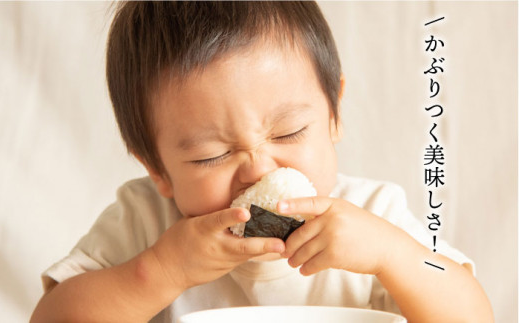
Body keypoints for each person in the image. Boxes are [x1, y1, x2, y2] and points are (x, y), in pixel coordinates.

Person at [31, 2, 493, 322]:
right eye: (211, 156)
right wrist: (163, 269)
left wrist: (393, 256)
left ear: (334, 114)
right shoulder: (145, 220)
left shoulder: (372, 213)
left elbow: (472, 316)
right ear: (158, 170)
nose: (259, 170)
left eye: (289, 132)